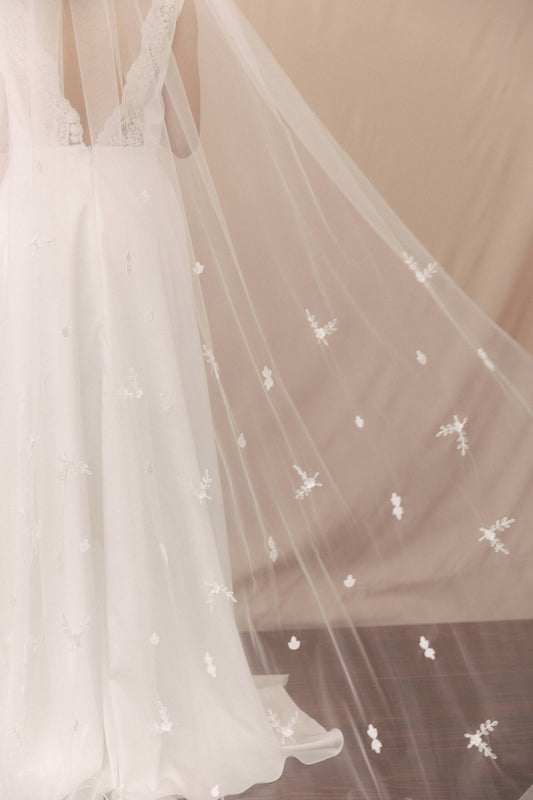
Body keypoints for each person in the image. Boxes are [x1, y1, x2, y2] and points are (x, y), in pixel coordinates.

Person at [0, 2, 532, 799]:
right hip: (136, 229)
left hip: (39, 226)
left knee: (53, 445)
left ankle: (52, 680)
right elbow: (184, 136)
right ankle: (150, 674)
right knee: (141, 446)